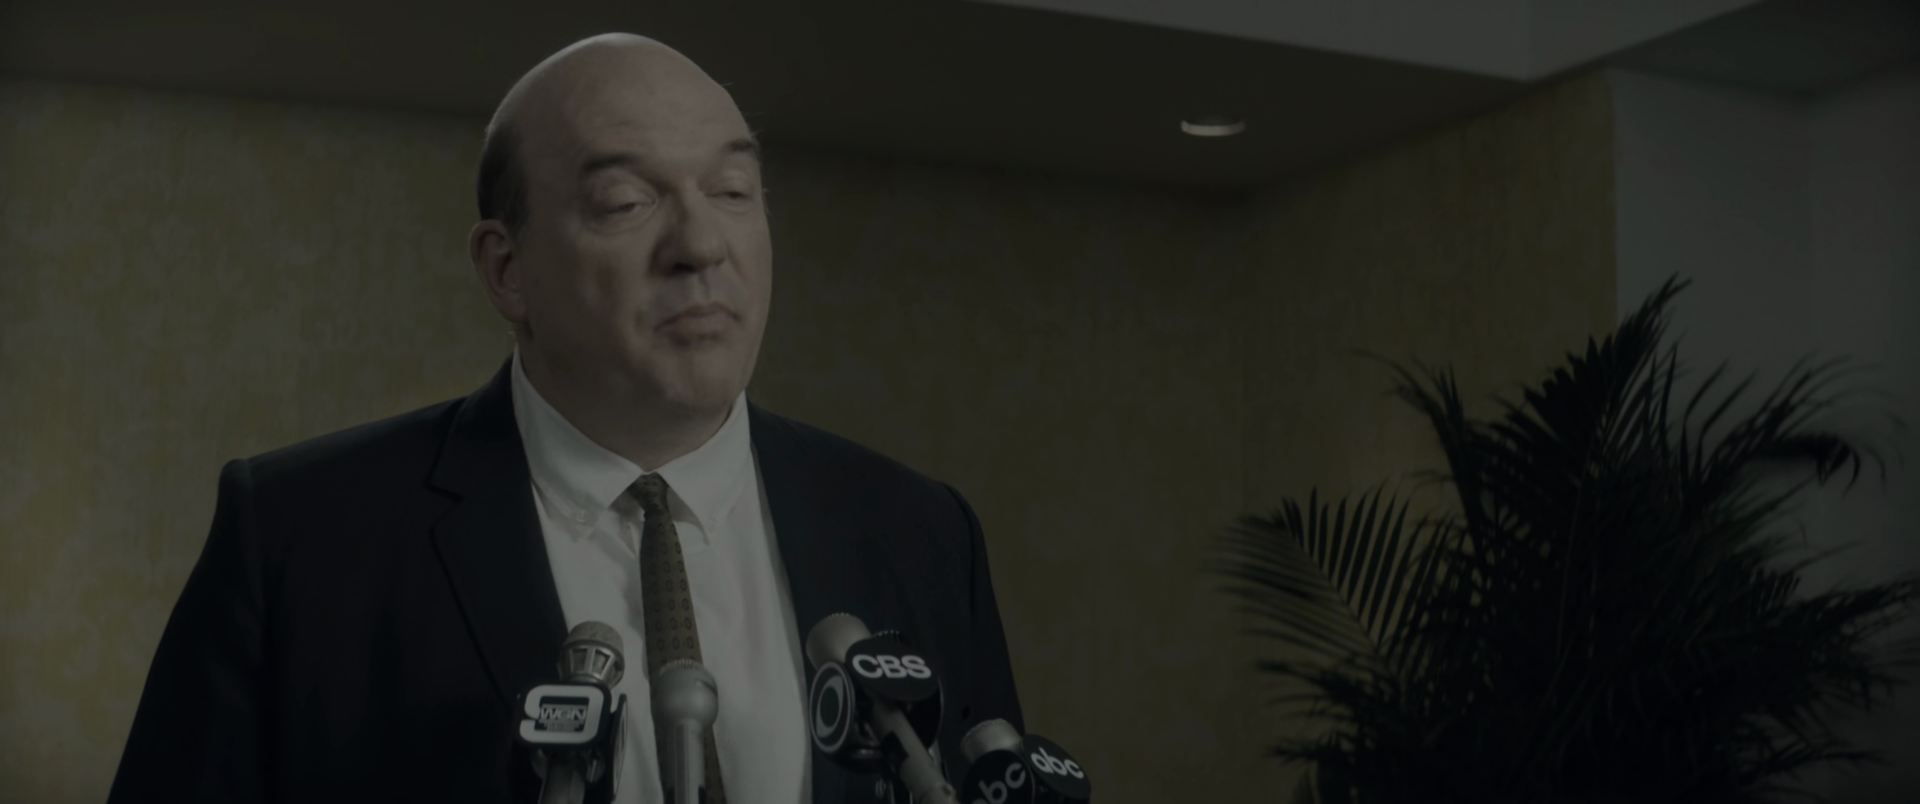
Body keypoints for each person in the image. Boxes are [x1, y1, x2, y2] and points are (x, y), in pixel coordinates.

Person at [106, 33, 1022, 804]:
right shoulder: (298, 538)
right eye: (627, 202)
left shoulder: (921, 534)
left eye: (734, 191)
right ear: (507, 270)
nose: (703, 245)